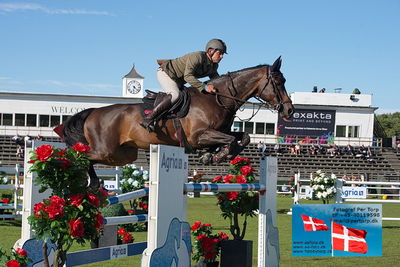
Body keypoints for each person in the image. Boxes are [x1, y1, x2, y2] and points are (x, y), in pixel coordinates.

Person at [140, 39, 227, 132]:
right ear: (210, 51)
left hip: (178, 80)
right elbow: (188, 76)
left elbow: (216, 80)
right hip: (166, 74)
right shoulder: (197, 57)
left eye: (223, 54)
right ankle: (149, 118)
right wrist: (204, 87)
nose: (221, 56)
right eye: (220, 53)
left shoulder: (213, 66)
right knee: (175, 95)